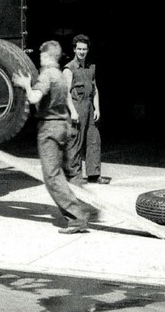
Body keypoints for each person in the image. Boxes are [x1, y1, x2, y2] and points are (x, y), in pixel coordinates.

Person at [12, 41, 100, 234]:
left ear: (47, 57)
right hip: (64, 126)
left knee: (52, 177)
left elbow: (34, 98)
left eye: (42, 56)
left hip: (50, 128)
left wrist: (27, 85)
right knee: (70, 173)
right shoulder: (60, 75)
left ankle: (77, 218)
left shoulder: (47, 75)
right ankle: (87, 206)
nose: (40, 60)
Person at [64, 33, 110, 184]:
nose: (82, 52)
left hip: (89, 107)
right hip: (76, 106)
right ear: (74, 50)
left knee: (93, 140)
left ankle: (94, 175)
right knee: (75, 142)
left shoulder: (91, 67)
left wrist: (97, 109)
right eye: (79, 49)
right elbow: (65, 94)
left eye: (84, 49)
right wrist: (73, 111)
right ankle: (74, 176)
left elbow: (95, 89)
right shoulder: (69, 69)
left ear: (88, 50)